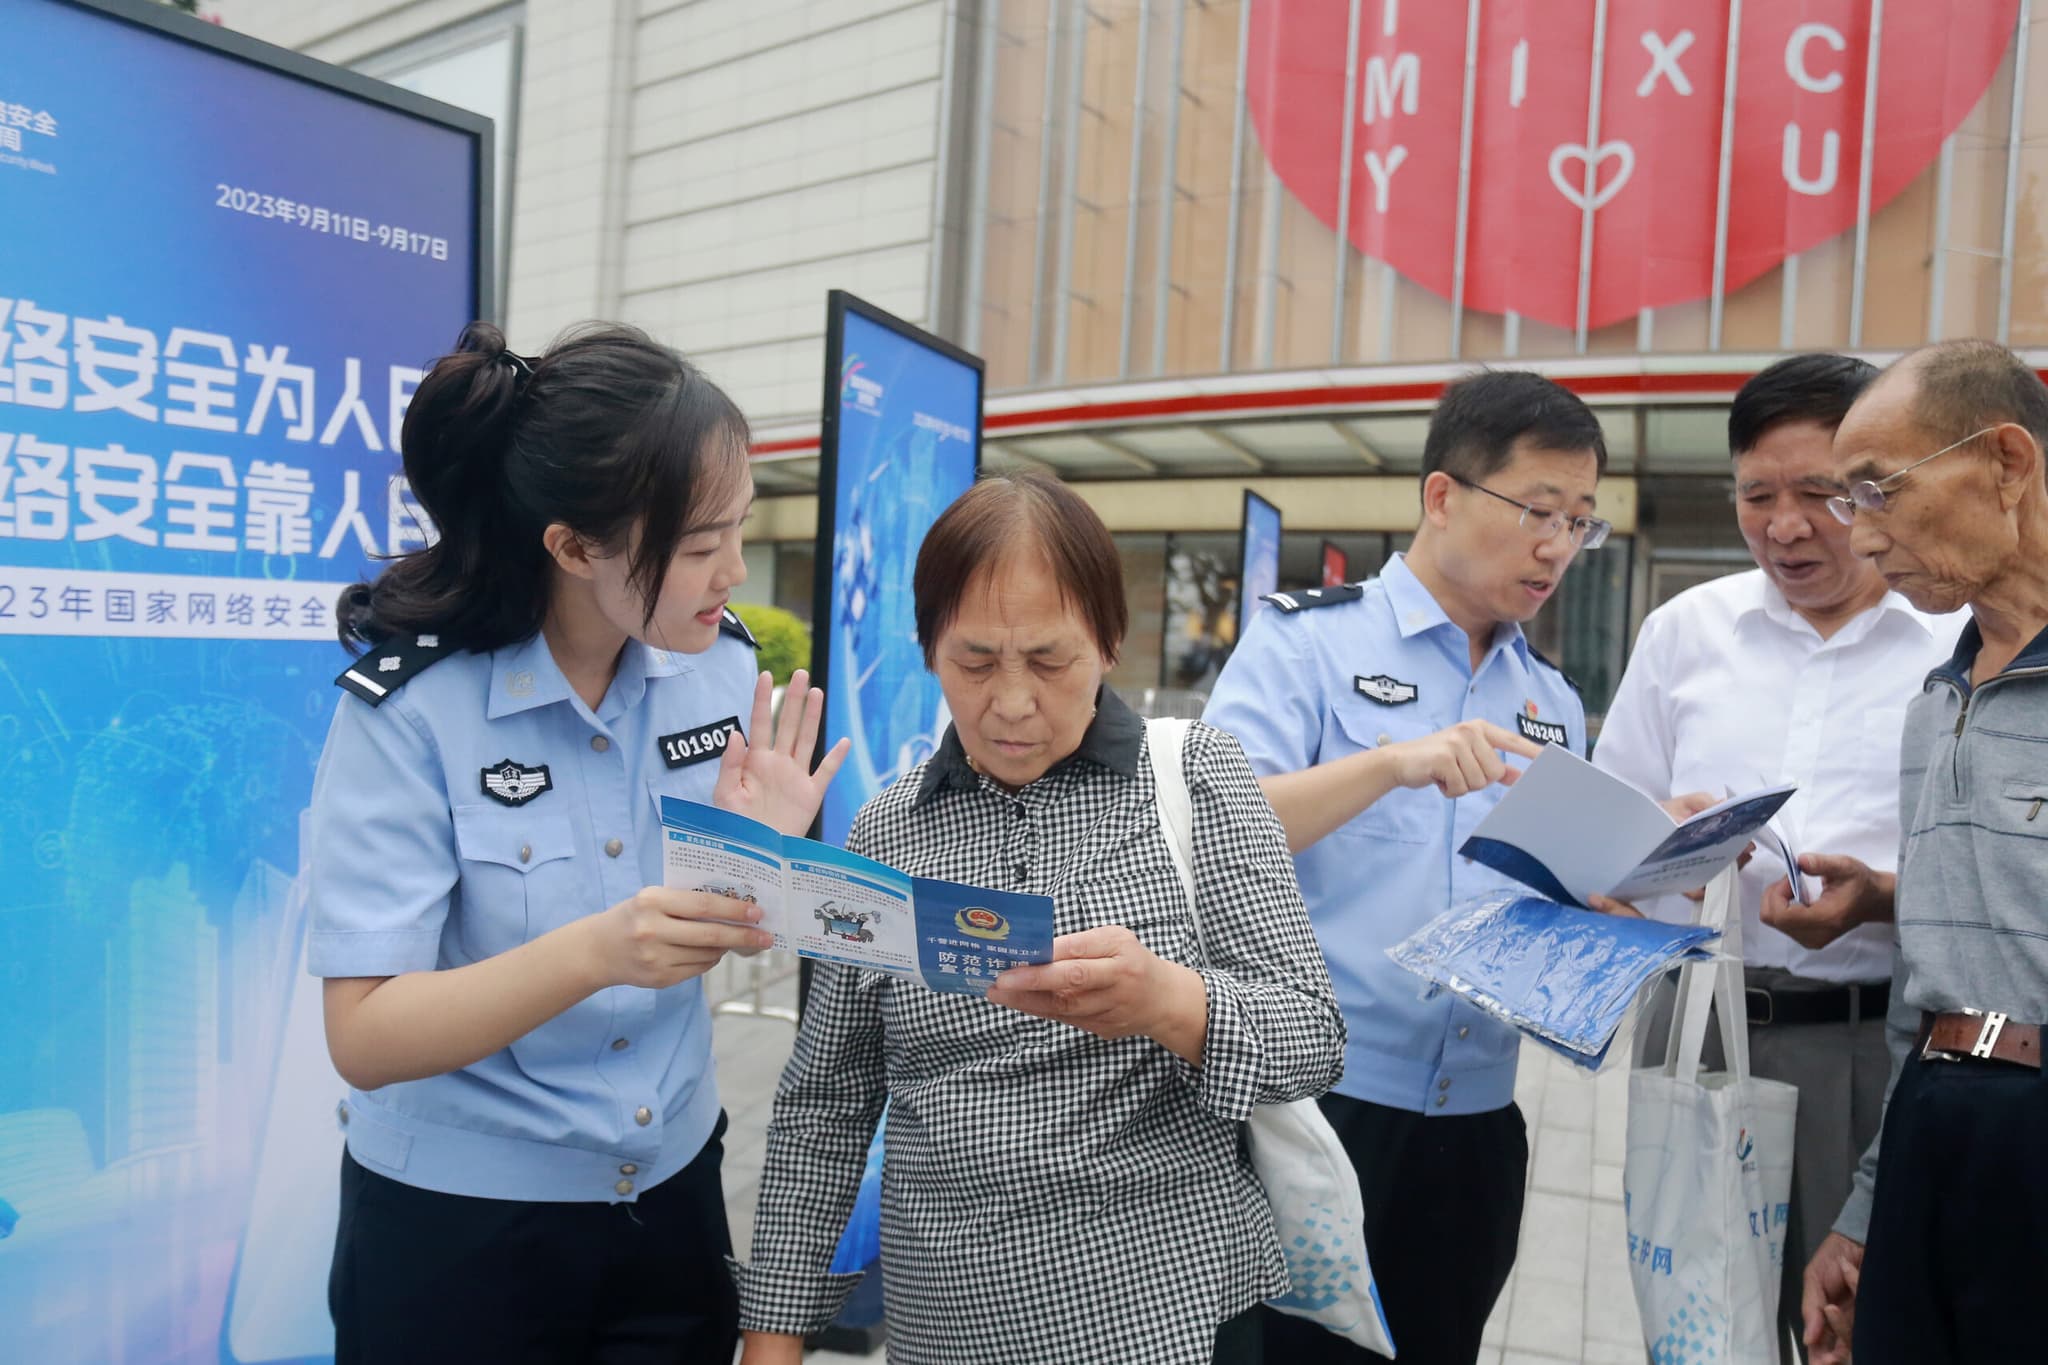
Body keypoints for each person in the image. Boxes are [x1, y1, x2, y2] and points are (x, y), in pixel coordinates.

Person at [306, 321, 847, 1364]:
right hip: (459, 1234)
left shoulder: (718, 669)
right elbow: (364, 1036)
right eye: (698, 547)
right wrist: (597, 952)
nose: (734, 570)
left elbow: (721, 926)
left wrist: (756, 870)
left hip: (673, 1196)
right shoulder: (410, 713)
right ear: (573, 545)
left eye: (741, 528)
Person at [734, 472, 1344, 1365]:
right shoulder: (887, 827)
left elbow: (1313, 1037)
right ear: (928, 648)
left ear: (1108, 643)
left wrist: (1169, 1001)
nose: (1011, 703)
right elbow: (826, 1101)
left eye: (1050, 662)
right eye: (974, 662)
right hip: (943, 1322)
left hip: (1164, 1321)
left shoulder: (1198, 780)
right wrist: (773, 1342)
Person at [1206, 370, 1671, 1365]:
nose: (1557, 546)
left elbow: (1541, 896)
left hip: (1476, 1124)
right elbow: (1211, 833)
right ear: (1440, 495)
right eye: (1536, 510)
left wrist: (1623, 899)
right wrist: (1388, 765)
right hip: (1317, 1111)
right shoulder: (1305, 646)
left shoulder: (1547, 698)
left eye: (1580, 523)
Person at [1591, 354, 1959, 1362]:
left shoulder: (1954, 640)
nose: (1785, 526)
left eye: (1820, 494)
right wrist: (1655, 842)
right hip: (1697, 1035)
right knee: (1703, 1320)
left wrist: (1875, 900)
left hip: (1869, 1038)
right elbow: (1606, 840)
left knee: (1860, 1320)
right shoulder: (1683, 633)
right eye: (1757, 495)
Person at [1794, 339, 2048, 1365]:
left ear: (2003, 461)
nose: (1857, 537)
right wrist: (1863, 1207)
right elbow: (1924, 994)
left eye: (1874, 490)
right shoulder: (1932, 703)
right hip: (1933, 1130)